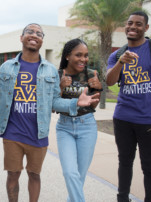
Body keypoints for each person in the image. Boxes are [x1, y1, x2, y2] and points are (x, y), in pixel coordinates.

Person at [0, 23, 99, 202]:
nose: (34, 35)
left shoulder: (50, 70)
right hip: (12, 132)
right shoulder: (6, 67)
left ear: (42, 41)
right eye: (29, 31)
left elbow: (54, 102)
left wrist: (76, 102)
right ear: (21, 38)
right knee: (13, 175)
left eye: (39, 33)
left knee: (34, 175)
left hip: (38, 133)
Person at [106, 11, 151, 202]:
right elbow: (109, 81)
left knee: (150, 168)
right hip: (123, 118)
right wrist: (120, 63)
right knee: (124, 162)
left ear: (146, 28)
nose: (133, 27)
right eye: (130, 23)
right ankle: (122, 198)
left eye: (138, 24)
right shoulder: (117, 55)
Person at [56, 38, 102, 202]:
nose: (83, 59)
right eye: (79, 55)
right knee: (70, 173)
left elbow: (94, 104)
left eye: (86, 55)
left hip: (87, 126)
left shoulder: (91, 74)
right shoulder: (59, 74)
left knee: (79, 178)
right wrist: (61, 87)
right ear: (68, 56)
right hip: (65, 127)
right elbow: (53, 106)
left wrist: (97, 88)